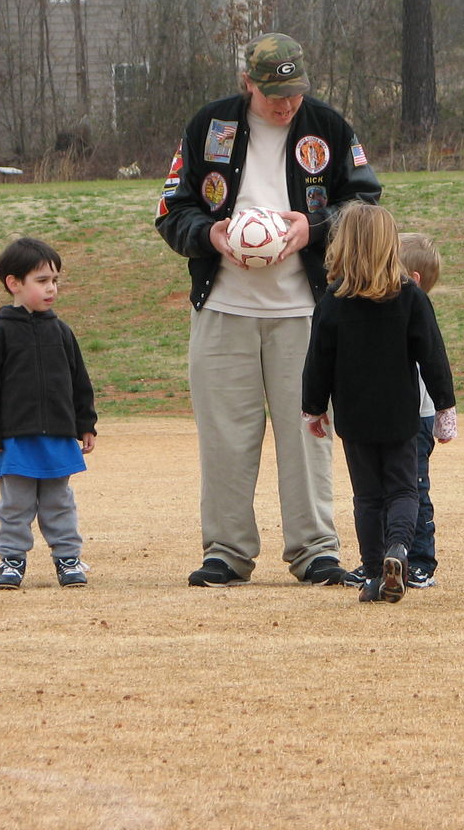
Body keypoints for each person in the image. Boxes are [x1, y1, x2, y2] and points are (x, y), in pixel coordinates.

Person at [155, 32, 382, 587]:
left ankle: (315, 552)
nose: (286, 104)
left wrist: (314, 227)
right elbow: (170, 210)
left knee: (309, 430)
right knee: (226, 435)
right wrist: (212, 235)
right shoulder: (208, 127)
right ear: (247, 84)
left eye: (295, 92)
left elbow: (366, 200)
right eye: (274, 93)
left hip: (306, 313)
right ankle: (227, 553)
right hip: (223, 309)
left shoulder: (329, 128)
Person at [301, 203, 457, 603]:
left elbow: (317, 360)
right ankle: (399, 551)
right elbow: (433, 355)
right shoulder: (410, 298)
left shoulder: (333, 301)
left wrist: (313, 408)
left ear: (343, 246)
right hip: (400, 414)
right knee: (403, 491)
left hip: (354, 417)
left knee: (367, 497)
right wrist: (444, 407)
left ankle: (373, 572)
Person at [0, 237, 97, 590]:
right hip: (15, 439)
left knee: (59, 502)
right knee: (16, 504)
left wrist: (85, 423)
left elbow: (79, 381)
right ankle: (12, 561)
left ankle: (68, 560)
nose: (51, 288)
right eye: (42, 281)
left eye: (55, 280)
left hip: (58, 437)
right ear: (14, 283)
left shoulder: (61, 331)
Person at [342, 231, 446, 590]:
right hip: (385, 417)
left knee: (412, 487)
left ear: (412, 280)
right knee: (379, 490)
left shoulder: (411, 313)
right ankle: (384, 558)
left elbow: (432, 366)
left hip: (413, 419)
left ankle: (418, 560)